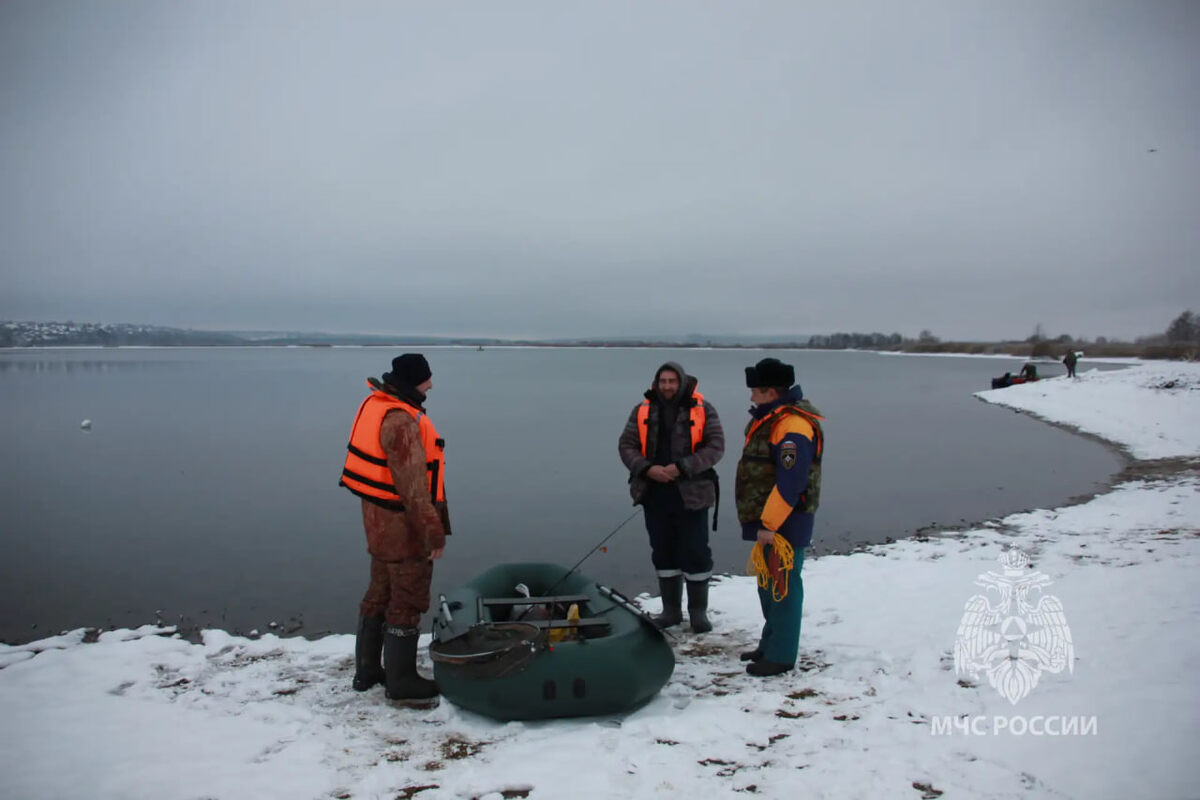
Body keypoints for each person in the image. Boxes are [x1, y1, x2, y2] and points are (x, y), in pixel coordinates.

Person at [339, 353, 449, 704]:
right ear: (411, 381)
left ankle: (369, 671)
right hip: (403, 527)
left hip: (377, 522)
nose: (431, 385)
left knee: (379, 594)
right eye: (426, 379)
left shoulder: (378, 405)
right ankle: (402, 684)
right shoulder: (400, 421)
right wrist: (434, 532)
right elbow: (414, 489)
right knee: (408, 598)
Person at [618, 362, 724, 633]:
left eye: (672, 381)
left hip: (692, 494)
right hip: (654, 493)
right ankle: (671, 611)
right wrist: (647, 469)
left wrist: (682, 467)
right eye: (662, 381)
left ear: (682, 382)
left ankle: (698, 613)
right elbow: (626, 445)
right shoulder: (642, 410)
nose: (667, 386)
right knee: (663, 552)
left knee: (696, 552)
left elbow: (716, 446)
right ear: (656, 383)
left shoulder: (703, 409)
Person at [735, 357, 825, 677]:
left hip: (784, 522)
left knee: (783, 586)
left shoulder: (793, 426)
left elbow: (791, 482)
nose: (751, 398)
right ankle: (770, 643)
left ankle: (782, 655)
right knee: (767, 583)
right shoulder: (772, 419)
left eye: (755, 392)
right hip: (769, 522)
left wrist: (769, 525)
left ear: (771, 393)